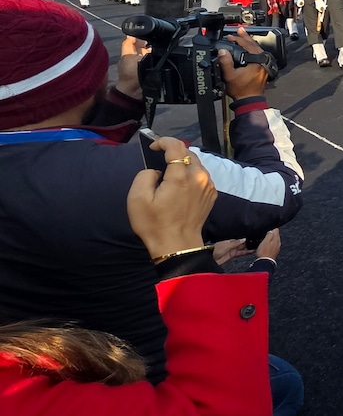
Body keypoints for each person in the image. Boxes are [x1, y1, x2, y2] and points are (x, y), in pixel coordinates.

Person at [0, 0, 304, 383]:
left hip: (31, 377)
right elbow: (280, 193)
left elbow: (52, 145)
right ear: (82, 83)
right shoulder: (152, 167)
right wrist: (250, 102)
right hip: (141, 371)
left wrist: (125, 98)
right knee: (283, 381)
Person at [0, 134, 279, 415]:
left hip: (104, 360)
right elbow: (282, 192)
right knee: (285, 381)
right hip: (149, 365)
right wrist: (184, 255)